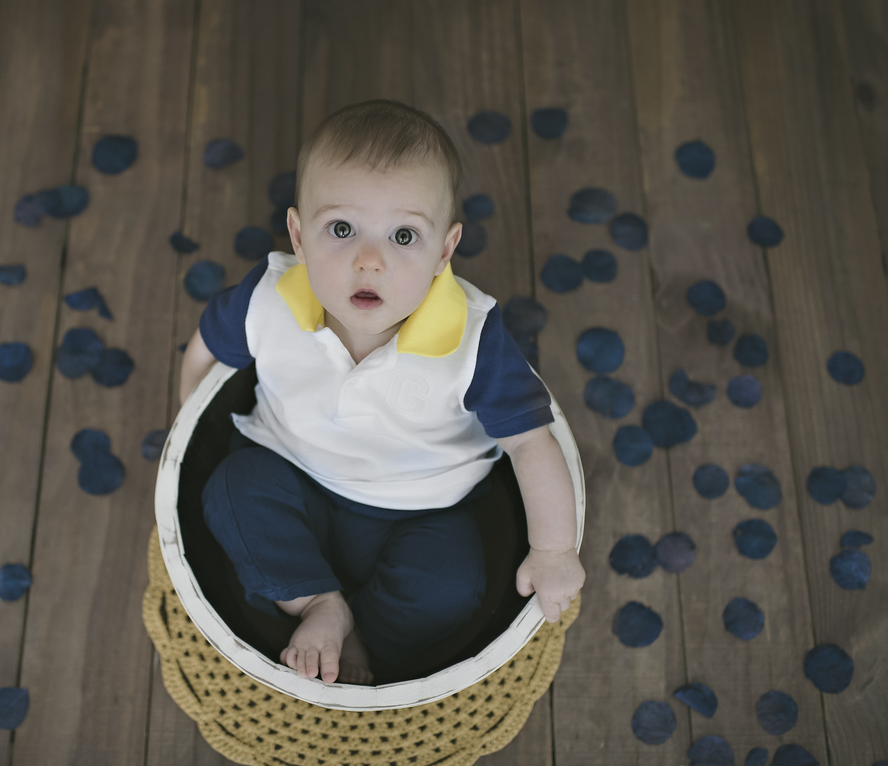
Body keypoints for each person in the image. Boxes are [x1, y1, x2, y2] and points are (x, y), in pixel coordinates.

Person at [178, 99, 585, 686]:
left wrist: (552, 550)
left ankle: (366, 638)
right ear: (298, 234)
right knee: (232, 492)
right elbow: (205, 348)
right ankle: (320, 603)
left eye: (403, 235)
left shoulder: (472, 339)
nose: (369, 261)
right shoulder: (269, 299)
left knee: (449, 584)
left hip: (423, 509)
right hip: (292, 470)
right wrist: (187, 419)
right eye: (341, 229)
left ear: (444, 250)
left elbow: (530, 443)